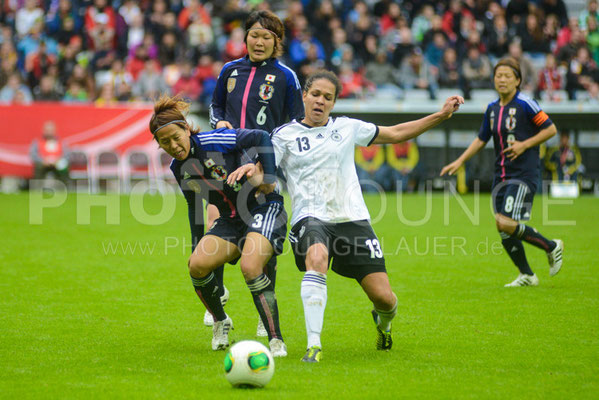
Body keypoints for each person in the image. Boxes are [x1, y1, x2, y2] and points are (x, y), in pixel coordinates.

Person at [231, 70, 463, 362]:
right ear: (304, 95)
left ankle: (384, 324)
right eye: (315, 94)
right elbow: (267, 179)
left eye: (328, 97)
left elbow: (396, 133)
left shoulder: (348, 127)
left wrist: (440, 115)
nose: (320, 101)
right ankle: (313, 345)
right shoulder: (284, 135)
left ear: (334, 102)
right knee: (317, 259)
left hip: (353, 219)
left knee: (385, 299)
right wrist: (253, 174)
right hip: (310, 217)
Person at [149, 95, 288, 356]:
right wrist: (196, 245)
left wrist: (267, 177)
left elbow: (260, 136)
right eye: (164, 142)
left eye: (176, 137)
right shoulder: (178, 168)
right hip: (230, 220)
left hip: (263, 206)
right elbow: (194, 207)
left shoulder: (214, 140)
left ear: (186, 128)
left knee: (250, 266)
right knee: (197, 266)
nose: (173, 145)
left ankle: (275, 339)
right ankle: (220, 320)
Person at [207, 10, 304, 335]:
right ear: (245, 36)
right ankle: (218, 291)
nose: (259, 41)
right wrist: (219, 123)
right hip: (226, 163)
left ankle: (266, 314)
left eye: (267, 37)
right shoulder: (229, 70)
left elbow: (295, 123)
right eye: (254, 35)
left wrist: (271, 158)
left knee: (263, 233)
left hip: (264, 165)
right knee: (212, 220)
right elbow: (215, 106)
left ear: (277, 41)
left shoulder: (287, 77)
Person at [441, 57, 564, 287]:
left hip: (523, 175)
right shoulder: (492, 109)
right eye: (499, 76)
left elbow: (551, 129)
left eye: (508, 76)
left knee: (506, 222)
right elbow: (481, 139)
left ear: (518, 80)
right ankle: (527, 274)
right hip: (502, 175)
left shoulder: (527, 103)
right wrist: (460, 161)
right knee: (502, 226)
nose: (503, 80)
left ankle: (551, 246)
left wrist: (524, 144)